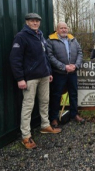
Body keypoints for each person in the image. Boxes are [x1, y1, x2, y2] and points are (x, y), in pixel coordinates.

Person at [10, 13, 61, 150]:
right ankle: (26, 135)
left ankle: (45, 125)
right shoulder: (21, 37)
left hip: (44, 76)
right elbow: (15, 59)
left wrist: (49, 71)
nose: (35, 23)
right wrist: (20, 78)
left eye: (37, 21)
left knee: (45, 101)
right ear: (27, 22)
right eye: (32, 21)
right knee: (28, 105)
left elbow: (45, 56)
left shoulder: (40, 36)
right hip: (30, 77)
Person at [47, 22, 84, 127]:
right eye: (61, 28)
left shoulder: (73, 39)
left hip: (72, 72)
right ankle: (54, 118)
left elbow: (80, 53)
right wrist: (64, 67)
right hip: (59, 73)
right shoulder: (50, 40)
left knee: (73, 94)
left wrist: (76, 66)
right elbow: (50, 56)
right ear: (57, 29)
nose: (64, 30)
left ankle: (74, 114)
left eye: (65, 28)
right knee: (56, 96)